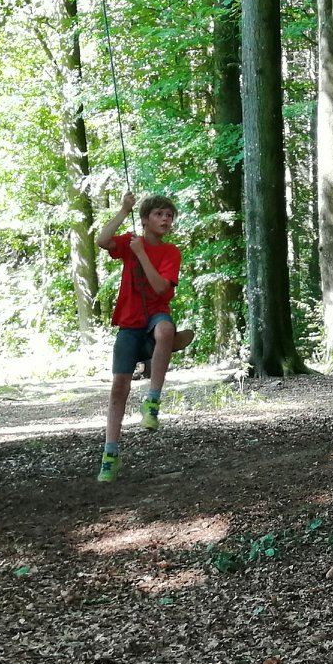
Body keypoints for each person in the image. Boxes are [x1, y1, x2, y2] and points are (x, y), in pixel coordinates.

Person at [96, 191, 194, 482]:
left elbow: (162, 288)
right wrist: (124, 209)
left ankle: (152, 401)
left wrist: (141, 254)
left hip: (155, 316)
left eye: (169, 216)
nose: (165, 219)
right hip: (130, 321)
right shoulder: (129, 241)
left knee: (165, 329)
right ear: (145, 220)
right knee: (119, 387)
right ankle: (110, 454)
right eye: (159, 214)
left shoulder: (170, 252)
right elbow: (103, 241)